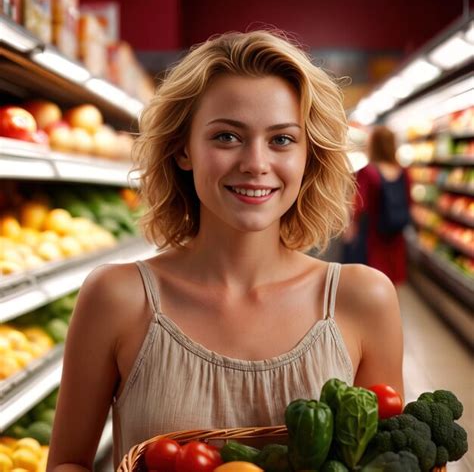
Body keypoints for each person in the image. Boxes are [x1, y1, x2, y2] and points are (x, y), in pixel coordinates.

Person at [46, 31, 404, 471]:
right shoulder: (117, 297)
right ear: (183, 149)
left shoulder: (362, 299)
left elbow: (387, 459)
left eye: (282, 139)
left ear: (309, 155)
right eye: (227, 137)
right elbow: (68, 464)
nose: (255, 163)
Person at [343, 126, 411, 285]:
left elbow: (359, 205)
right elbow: (409, 201)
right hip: (396, 236)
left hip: (374, 236)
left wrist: (351, 226)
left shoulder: (369, 172)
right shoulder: (403, 172)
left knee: (375, 278)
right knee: (392, 279)